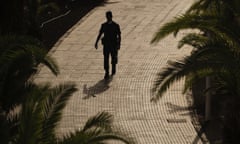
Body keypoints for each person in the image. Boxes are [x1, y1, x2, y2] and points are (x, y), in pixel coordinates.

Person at [95, 11, 121, 79]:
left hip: (113, 45)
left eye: (109, 16)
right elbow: (100, 34)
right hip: (106, 45)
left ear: (112, 16)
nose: (108, 18)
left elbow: (119, 35)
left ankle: (113, 69)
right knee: (106, 59)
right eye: (107, 16)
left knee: (113, 58)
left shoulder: (116, 25)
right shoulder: (104, 25)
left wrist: (119, 44)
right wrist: (96, 42)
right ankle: (106, 72)